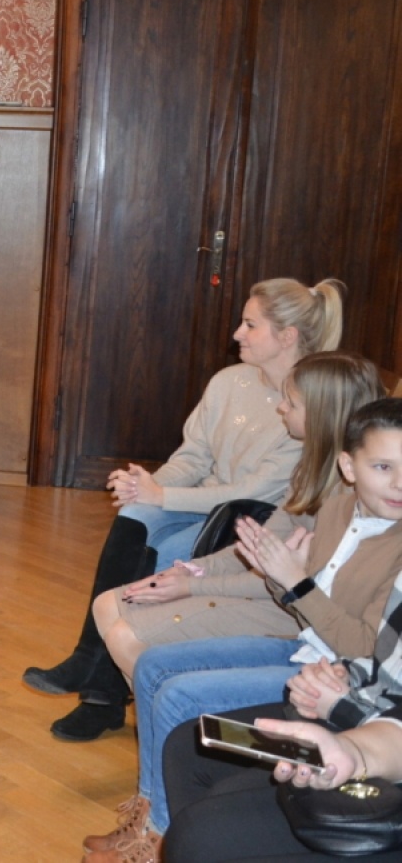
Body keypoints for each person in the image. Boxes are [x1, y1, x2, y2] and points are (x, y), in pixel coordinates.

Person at [80, 365, 395, 857]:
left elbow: (355, 641)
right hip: (309, 644)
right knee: (154, 668)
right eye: (384, 467)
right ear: (349, 467)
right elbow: (274, 562)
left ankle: (160, 835)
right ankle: (153, 815)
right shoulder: (341, 507)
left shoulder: (380, 530)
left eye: (292, 402)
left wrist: (288, 582)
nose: (398, 483)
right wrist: (197, 574)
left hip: (325, 665)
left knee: (177, 694)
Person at [25, 277, 345, 741]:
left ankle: (102, 693)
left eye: (250, 324)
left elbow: (252, 492)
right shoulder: (228, 381)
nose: (236, 333)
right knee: (135, 516)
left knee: (165, 548)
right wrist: (147, 487)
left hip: (249, 521)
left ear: (287, 336)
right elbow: (193, 457)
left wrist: (162, 497)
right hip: (202, 505)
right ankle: (90, 662)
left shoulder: (309, 405)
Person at [97, 352, 390, 677]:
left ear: (321, 415)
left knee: (126, 637)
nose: (281, 408)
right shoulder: (310, 471)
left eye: (292, 403)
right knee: (107, 605)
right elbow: (258, 547)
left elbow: (286, 582)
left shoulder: (353, 497)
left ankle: (174, 702)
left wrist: (193, 587)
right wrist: (190, 571)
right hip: (275, 594)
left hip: (296, 614)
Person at [159, 565, 402, 861]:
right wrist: (347, 673)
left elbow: (350, 630)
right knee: (187, 746)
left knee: (202, 832)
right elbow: (388, 662)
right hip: (369, 714)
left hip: (374, 733)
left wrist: (344, 712)